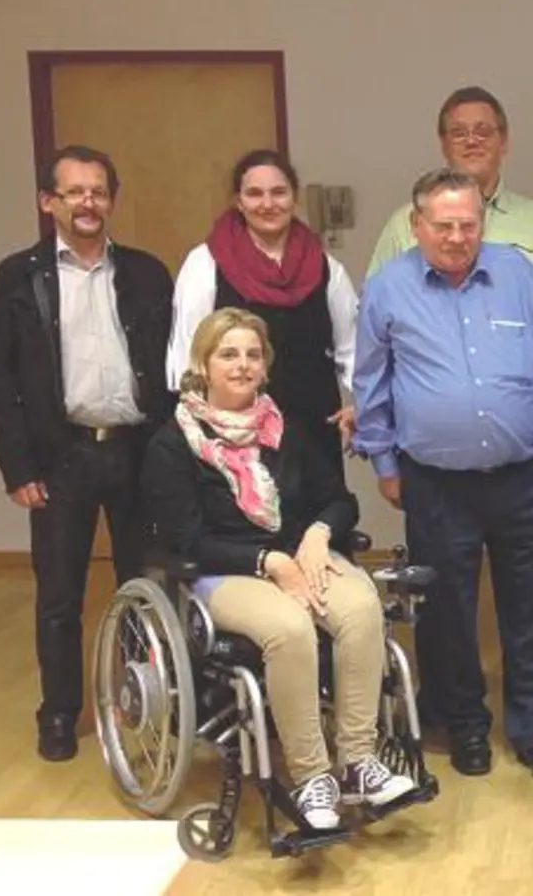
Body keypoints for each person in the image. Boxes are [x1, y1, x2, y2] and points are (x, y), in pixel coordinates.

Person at [353, 168, 533, 786]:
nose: (458, 236)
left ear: (482, 224)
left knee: (532, 607)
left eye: (469, 224)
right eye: (444, 226)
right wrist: (383, 461)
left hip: (522, 477)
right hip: (435, 483)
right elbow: (371, 383)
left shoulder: (517, 274)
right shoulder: (388, 288)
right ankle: (464, 725)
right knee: (447, 612)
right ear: (417, 226)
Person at [143, 307, 416, 829]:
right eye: (228, 354)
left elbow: (338, 500)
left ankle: (358, 762)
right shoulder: (173, 443)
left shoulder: (284, 429)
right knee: (290, 629)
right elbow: (184, 538)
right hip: (225, 570)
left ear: (265, 366)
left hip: (301, 553)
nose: (242, 365)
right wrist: (266, 560)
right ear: (203, 362)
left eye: (252, 355)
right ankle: (313, 776)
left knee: (360, 608)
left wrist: (318, 535)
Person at [0, 144, 175, 762]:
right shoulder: (20, 276)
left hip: (138, 450)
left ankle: (145, 700)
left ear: (110, 201)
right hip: (60, 457)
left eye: (98, 191)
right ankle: (60, 713)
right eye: (74, 192)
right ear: (49, 202)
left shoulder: (146, 272)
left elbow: (172, 368)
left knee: (145, 585)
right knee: (60, 594)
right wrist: (18, 469)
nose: (88, 202)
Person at [367, 86, 533, 469]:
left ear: (503, 140)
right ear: (443, 143)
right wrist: (381, 447)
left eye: (484, 131)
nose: (472, 140)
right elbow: (376, 336)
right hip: (432, 460)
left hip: (525, 441)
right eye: (459, 132)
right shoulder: (403, 225)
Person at [167, 150, 359, 474]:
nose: (267, 204)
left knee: (320, 522)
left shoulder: (328, 269)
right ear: (238, 202)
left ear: (294, 198)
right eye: (254, 193)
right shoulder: (205, 265)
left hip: (313, 434)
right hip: (232, 439)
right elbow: (186, 358)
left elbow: (354, 352)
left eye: (279, 192)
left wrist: (364, 406)